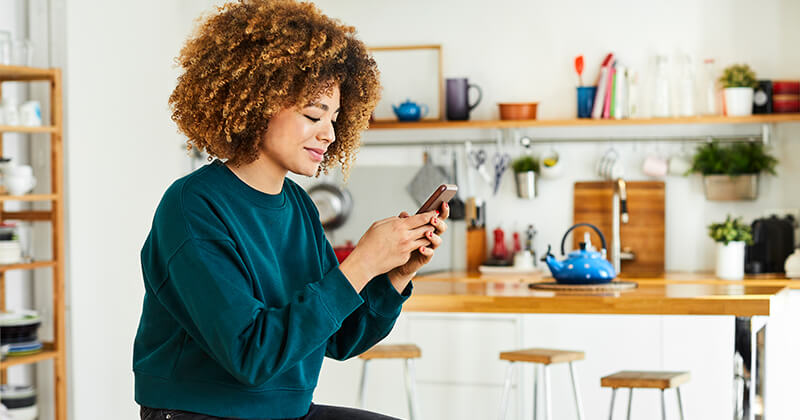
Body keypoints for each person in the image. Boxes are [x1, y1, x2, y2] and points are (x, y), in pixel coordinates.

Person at [132, 1, 450, 419]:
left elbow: (341, 338)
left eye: (335, 117)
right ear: (256, 100)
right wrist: (360, 264)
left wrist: (395, 274)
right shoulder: (193, 206)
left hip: (286, 411)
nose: (330, 133)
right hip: (202, 413)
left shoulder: (299, 205)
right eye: (314, 114)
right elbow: (251, 356)